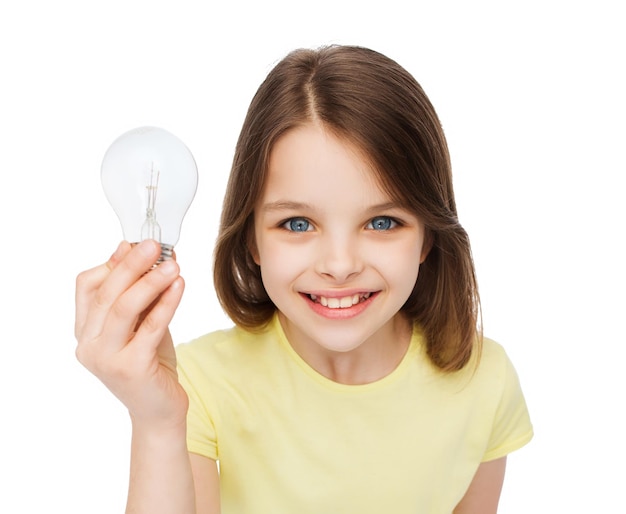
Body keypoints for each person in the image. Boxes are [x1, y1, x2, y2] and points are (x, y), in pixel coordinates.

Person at [75, 45, 533, 514]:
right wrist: (157, 424)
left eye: (382, 223)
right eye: (297, 224)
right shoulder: (198, 385)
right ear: (251, 238)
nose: (339, 265)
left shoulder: (486, 381)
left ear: (428, 237)